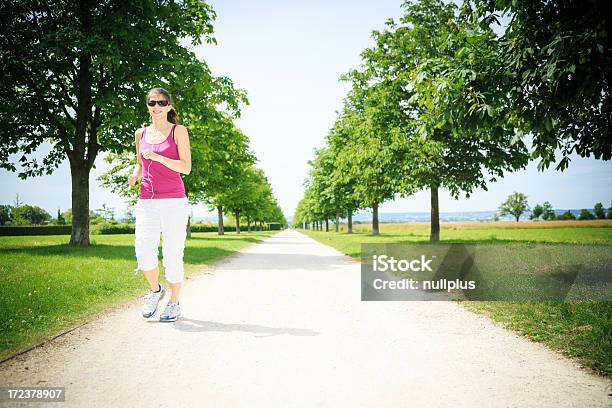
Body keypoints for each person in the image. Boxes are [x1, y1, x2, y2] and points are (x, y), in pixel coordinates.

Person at [127, 87, 191, 322]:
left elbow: (186, 167)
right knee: (143, 252)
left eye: (162, 103)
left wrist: (160, 158)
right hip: (147, 202)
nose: (156, 107)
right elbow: (141, 163)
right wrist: (135, 174)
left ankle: (174, 303)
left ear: (169, 106)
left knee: (173, 254)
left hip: (174, 200)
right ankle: (156, 291)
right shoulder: (140, 133)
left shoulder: (178, 131)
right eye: (152, 103)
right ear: (147, 105)